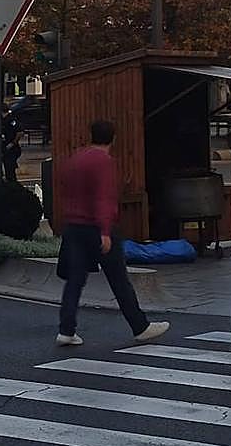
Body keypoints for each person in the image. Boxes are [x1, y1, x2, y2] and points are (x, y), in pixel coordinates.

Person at [56, 120, 169, 346]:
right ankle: (140, 326)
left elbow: (63, 187)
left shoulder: (75, 158)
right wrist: (105, 231)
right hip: (96, 228)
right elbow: (104, 198)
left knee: (75, 280)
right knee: (119, 279)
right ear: (113, 138)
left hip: (73, 226)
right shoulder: (104, 162)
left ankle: (66, 330)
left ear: (91, 135)